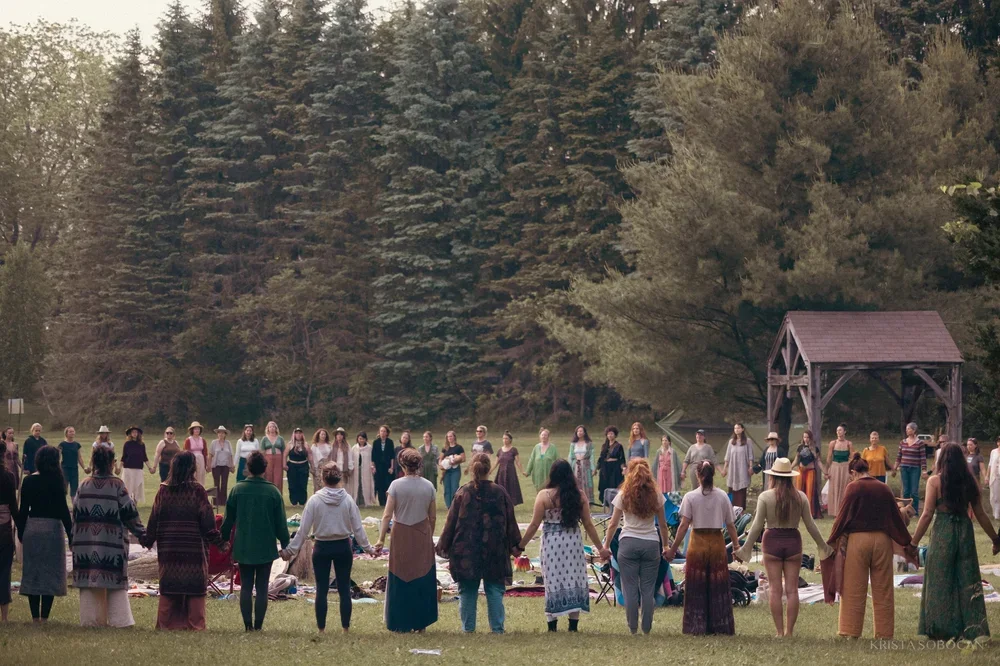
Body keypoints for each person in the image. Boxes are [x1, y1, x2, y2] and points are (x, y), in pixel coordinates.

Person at [734, 458, 833, 637]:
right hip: (793, 542)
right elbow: (811, 525)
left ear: (773, 476)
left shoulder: (765, 496)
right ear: (790, 477)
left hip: (771, 542)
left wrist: (745, 549)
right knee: (792, 590)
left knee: (774, 589)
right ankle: (789, 632)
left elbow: (756, 526)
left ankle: (779, 632)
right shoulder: (800, 496)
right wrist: (823, 546)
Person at [911, 443, 1000, 641]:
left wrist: (913, 543)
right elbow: (981, 514)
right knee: (968, 579)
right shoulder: (969, 482)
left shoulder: (935, 481)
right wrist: (995, 539)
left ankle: (939, 629)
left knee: (938, 579)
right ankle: (975, 629)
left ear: (942, 460)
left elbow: (926, 515)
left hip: (943, 531)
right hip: (964, 532)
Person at [825, 453, 917, 639]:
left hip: (858, 542)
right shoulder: (884, 488)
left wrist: (830, 542)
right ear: (868, 470)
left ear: (853, 472)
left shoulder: (853, 488)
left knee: (853, 588)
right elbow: (896, 519)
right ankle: (884, 633)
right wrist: (908, 543)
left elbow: (842, 518)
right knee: (883, 589)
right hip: (882, 542)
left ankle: (850, 630)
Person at [281, 461, 375, 634]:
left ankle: (321, 629)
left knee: (321, 589)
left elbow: (303, 531)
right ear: (339, 478)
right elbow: (358, 528)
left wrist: (289, 551)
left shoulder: (315, 500)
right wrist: (369, 548)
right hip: (343, 546)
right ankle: (345, 628)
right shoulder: (347, 500)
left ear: (322, 478)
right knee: (344, 588)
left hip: (322, 547)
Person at [141, 451, 228, 630]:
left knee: (170, 585)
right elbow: (208, 524)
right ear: (192, 468)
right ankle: (195, 624)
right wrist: (220, 543)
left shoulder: (163, 490)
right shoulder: (197, 491)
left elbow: (153, 520)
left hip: (169, 549)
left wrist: (148, 540)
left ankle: (165, 624)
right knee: (194, 588)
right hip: (193, 550)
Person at [436, 453, 522, 634]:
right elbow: (510, 521)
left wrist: (444, 544)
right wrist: (515, 545)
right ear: (488, 468)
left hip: (466, 550)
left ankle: (468, 629)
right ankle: (497, 629)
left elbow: (450, 523)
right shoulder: (500, 492)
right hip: (495, 549)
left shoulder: (462, 492)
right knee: (494, 589)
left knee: (467, 590)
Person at [517, 460, 606, 632]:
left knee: (552, 580)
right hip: (572, 542)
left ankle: (552, 624)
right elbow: (588, 524)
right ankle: (573, 625)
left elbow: (534, 525)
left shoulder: (544, 496)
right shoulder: (579, 496)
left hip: (551, 544)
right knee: (574, 578)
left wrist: (520, 546)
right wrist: (600, 548)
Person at [72, 445, 146, 628]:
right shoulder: (117, 485)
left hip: (85, 542)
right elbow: (130, 513)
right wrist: (143, 534)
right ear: (112, 463)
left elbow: (75, 513)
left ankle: (90, 621)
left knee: (89, 581)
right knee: (114, 581)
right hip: (111, 543)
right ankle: (120, 621)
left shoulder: (84, 484)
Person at [665, 461, 740, 635]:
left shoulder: (690, 497)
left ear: (698, 475)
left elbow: (683, 526)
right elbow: (730, 525)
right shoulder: (722, 496)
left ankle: (695, 627)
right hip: (716, 543)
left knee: (696, 585)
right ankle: (721, 626)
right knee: (718, 584)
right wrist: (736, 546)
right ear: (713, 474)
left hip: (697, 543)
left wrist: (672, 549)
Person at [221, 451, 289, 631]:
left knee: (245, 586)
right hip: (266, 547)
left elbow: (227, 521)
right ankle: (258, 625)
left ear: (247, 468)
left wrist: (223, 540)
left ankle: (247, 625)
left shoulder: (237, 489)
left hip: (243, 546)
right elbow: (281, 524)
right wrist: (285, 546)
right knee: (262, 587)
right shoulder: (273, 491)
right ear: (265, 469)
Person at [375, 448, 438, 633]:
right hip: (422, 532)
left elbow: (387, 515)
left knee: (400, 574)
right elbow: (432, 517)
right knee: (422, 575)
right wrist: (429, 534)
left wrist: (380, 539)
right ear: (419, 465)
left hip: (400, 532)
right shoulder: (428, 486)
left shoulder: (395, 485)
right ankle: (421, 623)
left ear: (402, 465)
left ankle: (399, 620)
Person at [601, 459, 666, 635]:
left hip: (628, 543)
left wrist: (606, 545)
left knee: (629, 588)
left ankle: (633, 627)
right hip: (651, 543)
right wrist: (666, 545)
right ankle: (646, 627)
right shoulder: (657, 496)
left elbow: (613, 523)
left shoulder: (623, 494)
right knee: (648, 588)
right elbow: (663, 525)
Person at [16, 445, 72, 622]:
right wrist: (71, 534)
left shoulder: (29, 481)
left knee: (33, 572)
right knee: (50, 572)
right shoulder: (57, 480)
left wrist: (20, 531)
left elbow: (23, 509)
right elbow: (63, 510)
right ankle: (45, 617)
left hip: (33, 527)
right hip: (53, 529)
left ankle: (34, 617)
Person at [0, 440, 18, 623]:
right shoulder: (8, 476)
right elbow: (13, 506)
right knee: (4, 571)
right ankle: (4, 617)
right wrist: (20, 528)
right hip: (3, 529)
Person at [894, 422, 927, 512]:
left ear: (914, 430)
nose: (907, 430)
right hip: (904, 468)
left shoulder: (920, 443)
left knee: (914, 491)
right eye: (906, 429)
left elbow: (923, 458)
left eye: (909, 429)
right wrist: (894, 468)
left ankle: (915, 511)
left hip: (915, 469)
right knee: (906, 491)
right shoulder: (903, 442)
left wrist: (924, 470)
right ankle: (906, 510)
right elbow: (899, 456)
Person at [790, 430, 824, 518]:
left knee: (810, 491)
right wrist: (789, 468)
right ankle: (797, 512)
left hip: (810, 470)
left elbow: (818, 461)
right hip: (801, 470)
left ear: (811, 438)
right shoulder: (800, 447)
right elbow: (796, 460)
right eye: (804, 437)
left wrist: (825, 471)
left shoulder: (815, 448)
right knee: (799, 491)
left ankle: (810, 513)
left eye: (807, 437)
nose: (806, 439)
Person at [722, 423, 753, 508]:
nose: (736, 430)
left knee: (741, 489)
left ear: (742, 429)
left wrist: (750, 467)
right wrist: (724, 469)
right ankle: (731, 508)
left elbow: (750, 456)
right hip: (733, 469)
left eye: (738, 428)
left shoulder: (748, 441)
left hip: (743, 468)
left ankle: (741, 509)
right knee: (732, 488)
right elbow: (727, 456)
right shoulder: (731, 442)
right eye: (735, 428)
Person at [825, 424, 854, 516]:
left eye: (840, 430)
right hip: (834, 467)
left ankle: (844, 511)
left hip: (845, 467)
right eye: (837, 430)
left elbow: (852, 457)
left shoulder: (849, 444)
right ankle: (834, 511)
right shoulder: (833, 443)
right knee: (835, 487)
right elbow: (829, 457)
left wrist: (851, 469)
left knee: (844, 488)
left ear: (844, 432)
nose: (838, 432)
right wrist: (826, 471)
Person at [121, 426, 153, 504]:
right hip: (128, 468)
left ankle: (135, 502)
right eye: (133, 432)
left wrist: (150, 468)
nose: (134, 434)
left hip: (138, 468)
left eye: (136, 432)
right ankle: (127, 502)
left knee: (137, 486)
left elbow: (145, 457)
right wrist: (119, 468)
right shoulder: (127, 444)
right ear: (130, 434)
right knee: (128, 486)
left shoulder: (141, 444)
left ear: (138, 434)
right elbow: (123, 457)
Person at [492, 431, 524, 506]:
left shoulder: (514, 450)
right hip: (501, 472)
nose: (504, 440)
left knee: (510, 488)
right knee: (500, 488)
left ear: (510, 440)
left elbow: (518, 462)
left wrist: (522, 471)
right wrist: (490, 471)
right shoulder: (500, 450)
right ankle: (501, 503)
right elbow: (496, 462)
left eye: (506, 438)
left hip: (510, 472)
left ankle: (510, 504)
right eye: (503, 438)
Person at [524, 428, 559, 494]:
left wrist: (559, 472)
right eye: (542, 435)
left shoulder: (553, 448)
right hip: (538, 474)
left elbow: (558, 461)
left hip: (549, 473)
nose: (543, 436)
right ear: (540, 436)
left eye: (545, 435)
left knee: (549, 491)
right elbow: (532, 459)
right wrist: (527, 472)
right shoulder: (536, 447)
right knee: (539, 491)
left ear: (548, 436)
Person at [208, 426, 235, 507]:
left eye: (223, 433)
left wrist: (232, 466)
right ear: (217, 434)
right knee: (216, 484)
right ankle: (216, 501)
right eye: (219, 432)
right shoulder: (214, 442)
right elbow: (210, 454)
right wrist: (208, 465)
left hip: (225, 466)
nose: (221, 434)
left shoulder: (228, 443)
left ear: (225, 434)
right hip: (216, 466)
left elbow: (230, 455)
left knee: (224, 483)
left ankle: (223, 501)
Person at [285, 428, 312, 507]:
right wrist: (284, 465)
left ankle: (302, 502)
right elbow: (285, 455)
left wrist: (312, 465)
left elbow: (310, 455)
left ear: (302, 434)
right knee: (292, 484)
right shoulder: (290, 444)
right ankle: (294, 502)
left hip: (303, 466)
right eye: (297, 433)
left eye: (300, 433)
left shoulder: (305, 444)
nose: (298, 435)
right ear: (294, 434)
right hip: (292, 466)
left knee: (303, 484)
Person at [58, 427, 87, 499]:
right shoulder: (62, 444)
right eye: (70, 432)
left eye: (73, 431)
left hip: (74, 469)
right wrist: (57, 468)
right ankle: (62, 507)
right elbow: (58, 458)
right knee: (64, 489)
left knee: (74, 490)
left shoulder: (76, 445)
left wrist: (84, 468)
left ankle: (74, 508)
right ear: (66, 433)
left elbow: (79, 457)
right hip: (65, 469)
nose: (72, 433)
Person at [439, 430, 466, 508]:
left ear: (454, 437)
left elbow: (463, 459)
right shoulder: (445, 448)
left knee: (454, 487)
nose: (449, 438)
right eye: (448, 436)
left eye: (451, 436)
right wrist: (442, 464)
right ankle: (449, 506)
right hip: (446, 471)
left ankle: (455, 505)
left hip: (455, 470)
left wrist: (454, 461)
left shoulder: (459, 447)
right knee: (447, 488)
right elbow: (440, 459)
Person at [597, 426, 625, 499]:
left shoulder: (619, 446)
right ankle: (606, 506)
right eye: (608, 434)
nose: (610, 435)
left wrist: (623, 468)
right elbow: (601, 458)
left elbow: (622, 459)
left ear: (615, 435)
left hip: (614, 470)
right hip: (605, 470)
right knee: (604, 487)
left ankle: (614, 506)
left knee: (614, 487)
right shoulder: (604, 446)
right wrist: (596, 468)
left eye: (612, 434)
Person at [372, 425, 395, 506]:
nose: (383, 433)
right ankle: (381, 502)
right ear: (379, 432)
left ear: (387, 433)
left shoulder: (390, 442)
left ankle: (387, 502)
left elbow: (392, 456)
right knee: (379, 484)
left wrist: (392, 467)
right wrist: (373, 467)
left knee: (387, 484)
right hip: (378, 467)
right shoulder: (376, 442)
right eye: (381, 431)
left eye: (384, 431)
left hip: (387, 466)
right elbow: (373, 457)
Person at [571, 425, 594, 503]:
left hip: (585, 466)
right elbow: (570, 456)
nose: (579, 433)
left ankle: (587, 501)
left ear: (584, 432)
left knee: (586, 483)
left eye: (581, 431)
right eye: (578, 431)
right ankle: (577, 501)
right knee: (576, 483)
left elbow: (592, 456)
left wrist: (593, 468)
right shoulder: (573, 444)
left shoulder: (589, 443)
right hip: (576, 466)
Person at [259, 421, 285, 493]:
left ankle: (278, 495)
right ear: (268, 428)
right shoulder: (264, 438)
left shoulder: (280, 438)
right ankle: (268, 494)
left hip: (278, 459)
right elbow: (262, 451)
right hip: (268, 459)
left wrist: (284, 463)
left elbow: (284, 451)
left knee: (278, 478)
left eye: (273, 427)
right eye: (270, 427)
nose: (272, 428)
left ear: (276, 428)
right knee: (268, 476)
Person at [352, 431, 376, 507]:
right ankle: (357, 501)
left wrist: (372, 466)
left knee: (365, 484)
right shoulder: (354, 448)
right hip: (356, 469)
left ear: (366, 439)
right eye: (360, 439)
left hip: (366, 470)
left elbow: (372, 459)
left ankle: (365, 501)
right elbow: (352, 459)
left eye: (363, 439)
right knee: (357, 484)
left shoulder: (369, 448)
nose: (361, 440)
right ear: (357, 439)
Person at [184, 422, 209, 486]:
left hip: (201, 460)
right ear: (192, 430)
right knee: (192, 476)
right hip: (192, 460)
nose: (197, 430)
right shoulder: (188, 440)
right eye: (195, 429)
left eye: (198, 429)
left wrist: (207, 464)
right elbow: (186, 452)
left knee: (201, 476)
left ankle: (201, 492)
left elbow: (205, 453)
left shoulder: (202, 440)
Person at [2, 429, 20, 493]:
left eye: (12, 433)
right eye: (9, 433)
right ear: (5, 433)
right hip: (6, 466)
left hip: (14, 468)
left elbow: (17, 458)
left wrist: (22, 466)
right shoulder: (2, 444)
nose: (11, 435)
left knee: (14, 485)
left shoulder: (15, 444)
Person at [989, 437, 1000, 520]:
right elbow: (990, 464)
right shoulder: (993, 452)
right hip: (995, 476)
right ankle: (996, 514)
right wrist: (986, 475)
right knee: (995, 495)